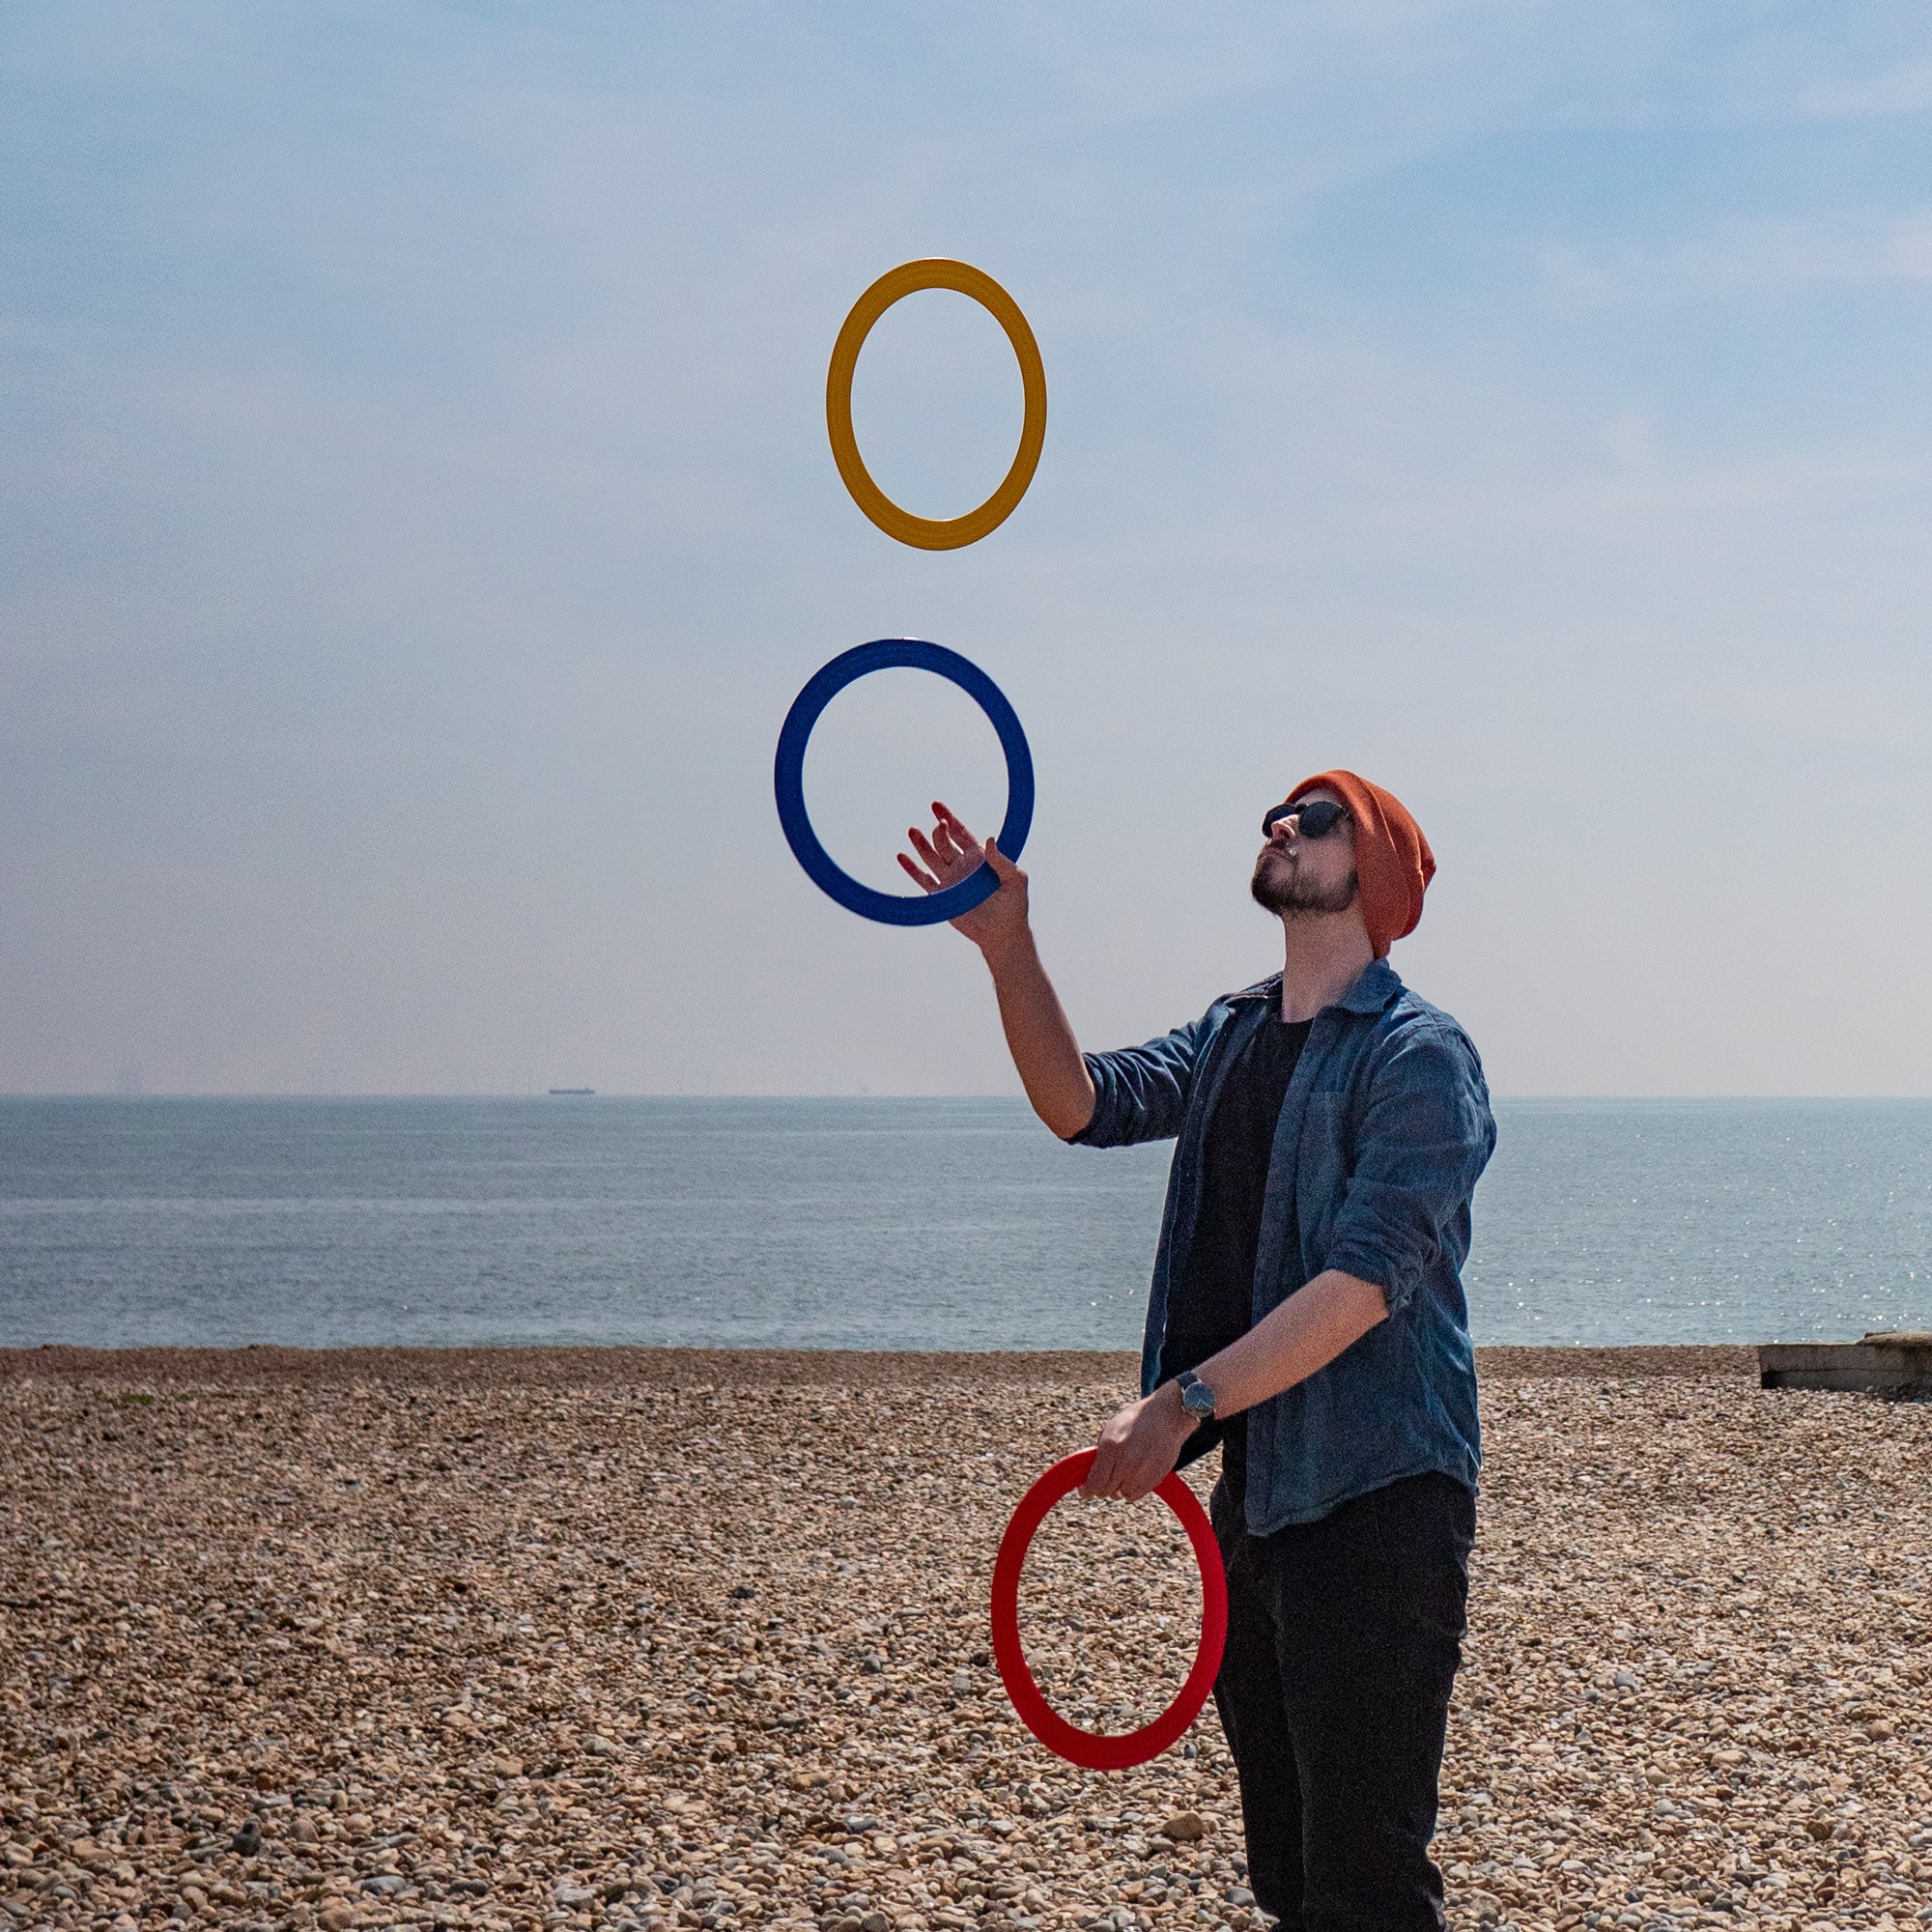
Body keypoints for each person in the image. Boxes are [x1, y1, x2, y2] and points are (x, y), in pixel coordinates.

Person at [898, 771, 1495, 1932]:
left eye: (1313, 817)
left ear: (1372, 871)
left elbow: (1364, 1283)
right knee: (1286, 1876)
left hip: (1383, 1496)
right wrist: (1005, 948)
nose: (1279, 823)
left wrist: (1180, 1403)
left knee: (1366, 1885)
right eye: (1277, 810)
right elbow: (1080, 1102)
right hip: (1258, 1495)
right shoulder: (1228, 1031)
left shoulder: (1418, 1055)